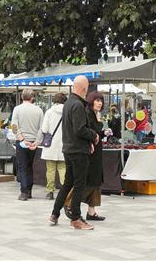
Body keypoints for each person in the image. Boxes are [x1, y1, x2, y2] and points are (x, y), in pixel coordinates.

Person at [49, 76, 98, 230]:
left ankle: (54, 214)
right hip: (77, 151)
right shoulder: (77, 105)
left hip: (69, 149)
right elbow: (79, 129)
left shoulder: (68, 103)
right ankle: (76, 218)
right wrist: (93, 136)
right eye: (88, 87)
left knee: (67, 184)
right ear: (84, 88)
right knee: (79, 185)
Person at [64, 91, 107, 221]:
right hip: (89, 152)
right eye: (97, 100)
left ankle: (91, 211)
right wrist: (99, 125)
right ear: (91, 100)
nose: (99, 103)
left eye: (101, 101)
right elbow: (87, 131)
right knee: (85, 181)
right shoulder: (88, 113)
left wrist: (103, 132)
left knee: (95, 181)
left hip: (96, 151)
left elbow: (96, 132)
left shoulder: (94, 114)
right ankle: (69, 203)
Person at [31, 93, 67, 200]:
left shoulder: (49, 112)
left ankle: (50, 192)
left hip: (50, 145)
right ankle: (65, 190)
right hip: (64, 144)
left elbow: (44, 129)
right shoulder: (67, 112)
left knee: (50, 170)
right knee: (63, 168)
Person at [12, 89, 44, 201]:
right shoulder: (39, 110)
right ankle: (29, 190)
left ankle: (24, 192)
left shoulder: (17, 109)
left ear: (22, 97)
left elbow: (14, 126)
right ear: (32, 98)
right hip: (33, 142)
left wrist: (22, 139)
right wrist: (36, 142)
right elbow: (42, 128)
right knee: (30, 166)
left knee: (22, 166)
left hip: (22, 142)